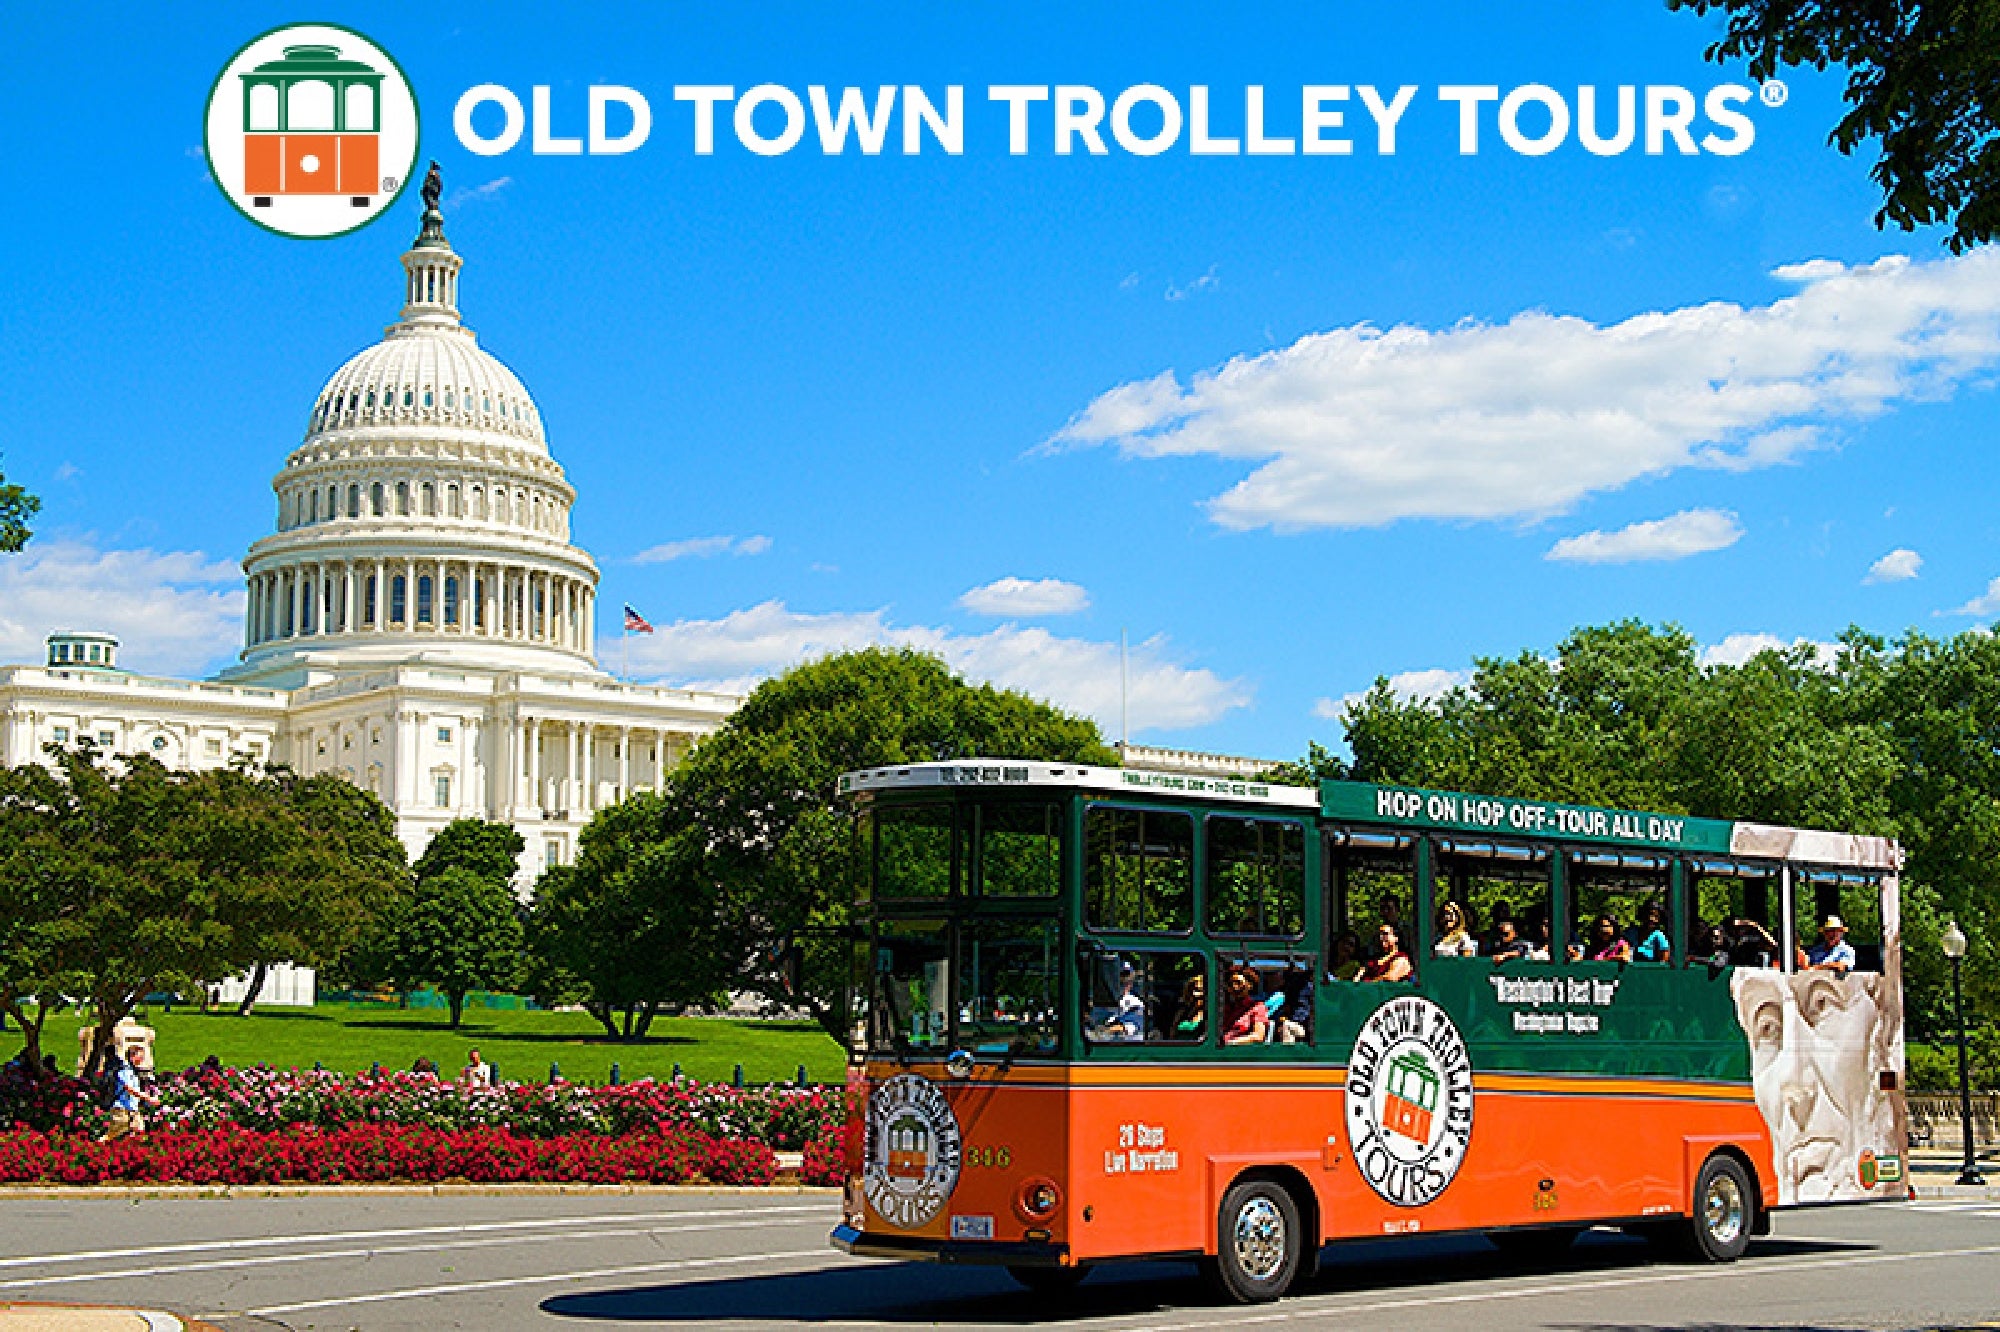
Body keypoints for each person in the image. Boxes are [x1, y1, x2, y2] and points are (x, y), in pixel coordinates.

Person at [98, 1046, 148, 1141]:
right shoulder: (125, 1070)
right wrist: (148, 1098)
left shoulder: (133, 1071)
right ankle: (95, 1148)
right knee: (112, 1134)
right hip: (121, 1109)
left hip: (133, 1109)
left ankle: (133, 1153)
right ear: (132, 1056)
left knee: (139, 1133)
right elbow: (129, 1088)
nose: (142, 1059)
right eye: (140, 1056)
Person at [1220, 966, 1269, 1045]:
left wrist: (1230, 1043)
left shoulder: (1258, 1008)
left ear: (1250, 985)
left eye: (1238, 983)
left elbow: (1258, 1036)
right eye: (1230, 984)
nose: (1234, 987)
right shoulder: (1226, 1008)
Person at [1111, 964, 1146, 1041]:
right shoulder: (1102, 1001)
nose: (1125, 980)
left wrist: (1105, 1030)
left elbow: (1129, 1027)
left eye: (1127, 976)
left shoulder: (1136, 1003)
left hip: (1128, 1048)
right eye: (1121, 976)